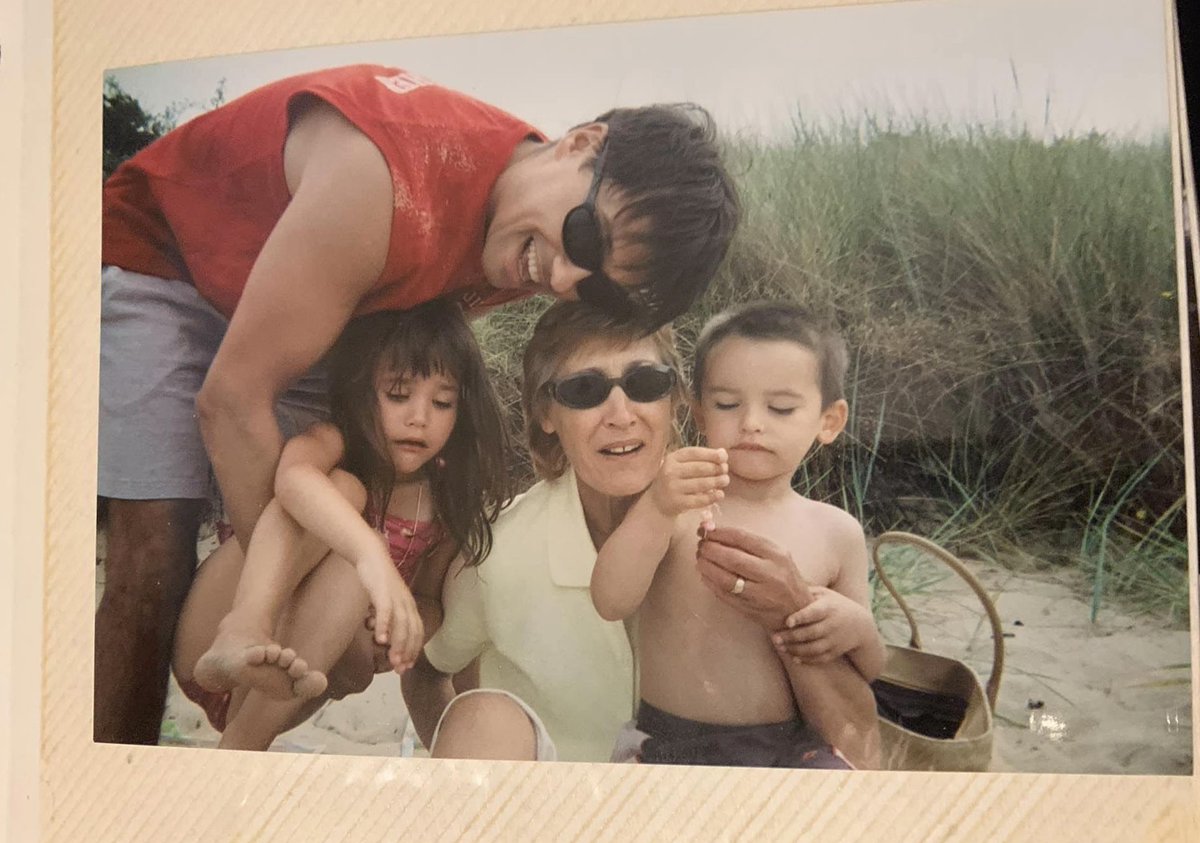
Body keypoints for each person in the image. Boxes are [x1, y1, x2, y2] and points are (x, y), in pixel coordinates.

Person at [96, 63, 741, 743]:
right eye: (586, 236)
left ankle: (236, 749)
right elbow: (232, 401)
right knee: (154, 558)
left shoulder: (526, 235)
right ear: (580, 143)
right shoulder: (379, 179)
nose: (560, 277)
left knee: (341, 563)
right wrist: (291, 602)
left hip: (313, 297)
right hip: (165, 253)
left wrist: (342, 615)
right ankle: (107, 779)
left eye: (597, 287)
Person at [171, 300, 509, 750]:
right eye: (398, 395)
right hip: (212, 637)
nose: (419, 417)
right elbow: (293, 479)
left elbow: (429, 598)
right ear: (363, 391)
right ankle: (246, 625)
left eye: (442, 402)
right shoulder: (335, 442)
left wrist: (396, 630)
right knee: (345, 492)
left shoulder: (444, 503)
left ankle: (242, 745)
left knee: (352, 581)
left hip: (292, 674)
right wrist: (372, 555)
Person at [591, 301, 885, 769]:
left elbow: (870, 668)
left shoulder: (836, 531)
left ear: (828, 421)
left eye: (781, 408)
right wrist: (656, 508)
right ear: (700, 413)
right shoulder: (677, 507)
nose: (751, 422)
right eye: (727, 404)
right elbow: (610, 600)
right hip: (671, 744)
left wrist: (858, 629)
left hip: (793, 749)